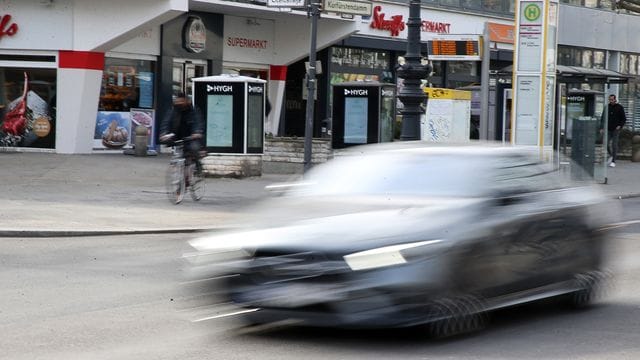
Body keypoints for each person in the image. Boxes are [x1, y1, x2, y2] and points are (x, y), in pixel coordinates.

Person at [159, 92, 204, 160]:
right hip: (176, 137)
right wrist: (164, 133)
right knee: (176, 152)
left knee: (194, 148)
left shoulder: (194, 111)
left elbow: (198, 122)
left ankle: (197, 166)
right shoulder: (173, 111)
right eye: (178, 101)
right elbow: (166, 122)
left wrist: (197, 132)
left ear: (187, 101)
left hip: (191, 137)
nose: (180, 103)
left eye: (182, 101)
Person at [600, 94, 626, 168]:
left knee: (614, 145)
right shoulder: (607, 107)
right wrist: (601, 128)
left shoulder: (620, 107)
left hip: (616, 130)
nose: (611, 101)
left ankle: (613, 161)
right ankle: (611, 155)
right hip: (608, 129)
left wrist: (620, 126)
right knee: (606, 143)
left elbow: (623, 119)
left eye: (612, 99)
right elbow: (603, 118)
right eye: (610, 99)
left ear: (615, 99)